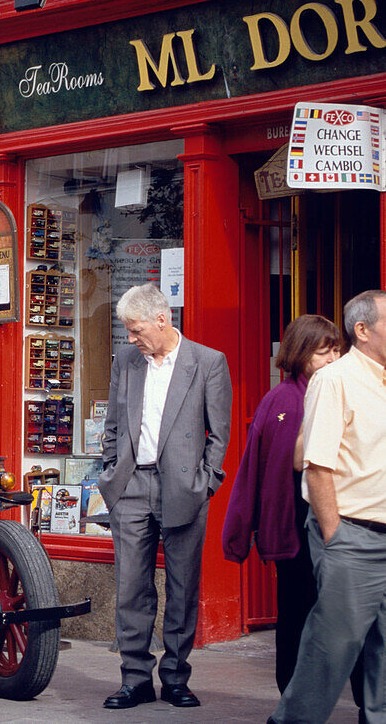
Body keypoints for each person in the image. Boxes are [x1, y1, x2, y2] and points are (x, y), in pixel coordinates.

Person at [98, 283, 232, 710]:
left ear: (162, 319)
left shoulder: (208, 362)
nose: (132, 340)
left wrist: (206, 481)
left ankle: (176, 677)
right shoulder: (127, 362)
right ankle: (135, 678)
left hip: (183, 486)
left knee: (182, 586)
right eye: (128, 333)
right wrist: (110, 474)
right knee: (131, 588)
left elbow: (220, 433)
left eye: (136, 331)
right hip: (131, 487)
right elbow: (114, 424)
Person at [222, 315, 362, 699]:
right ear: (300, 354)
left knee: (346, 619)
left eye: (337, 350)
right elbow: (253, 470)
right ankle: (293, 701)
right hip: (293, 528)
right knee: (296, 618)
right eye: (323, 351)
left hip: (339, 523)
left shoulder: (343, 394)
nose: (333, 358)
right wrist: (238, 534)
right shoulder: (279, 401)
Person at [271, 290, 386, 724]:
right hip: (352, 537)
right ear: (363, 330)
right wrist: (334, 536)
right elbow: (315, 465)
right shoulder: (334, 379)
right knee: (331, 649)